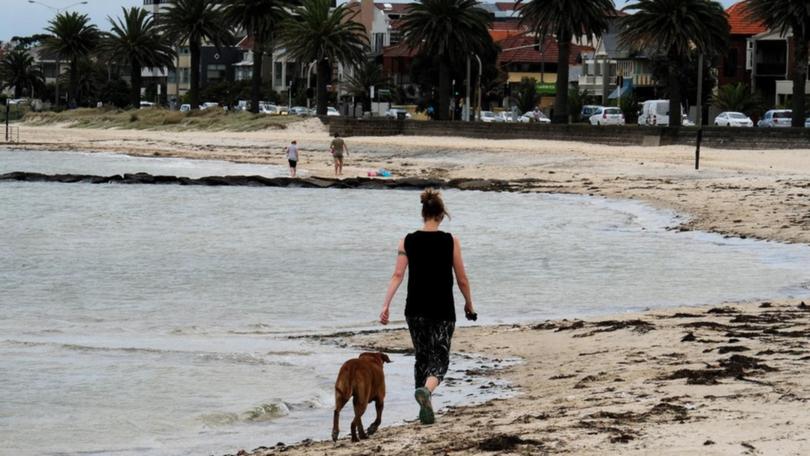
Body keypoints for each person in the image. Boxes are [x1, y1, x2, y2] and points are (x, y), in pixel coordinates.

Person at [379, 189, 475, 425]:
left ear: (423, 214)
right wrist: (469, 305)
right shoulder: (450, 241)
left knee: (422, 358)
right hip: (442, 311)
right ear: (441, 215)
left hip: (414, 310)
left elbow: (397, 274)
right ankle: (426, 393)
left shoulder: (407, 241)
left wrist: (385, 305)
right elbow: (462, 278)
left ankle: (424, 405)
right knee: (439, 359)